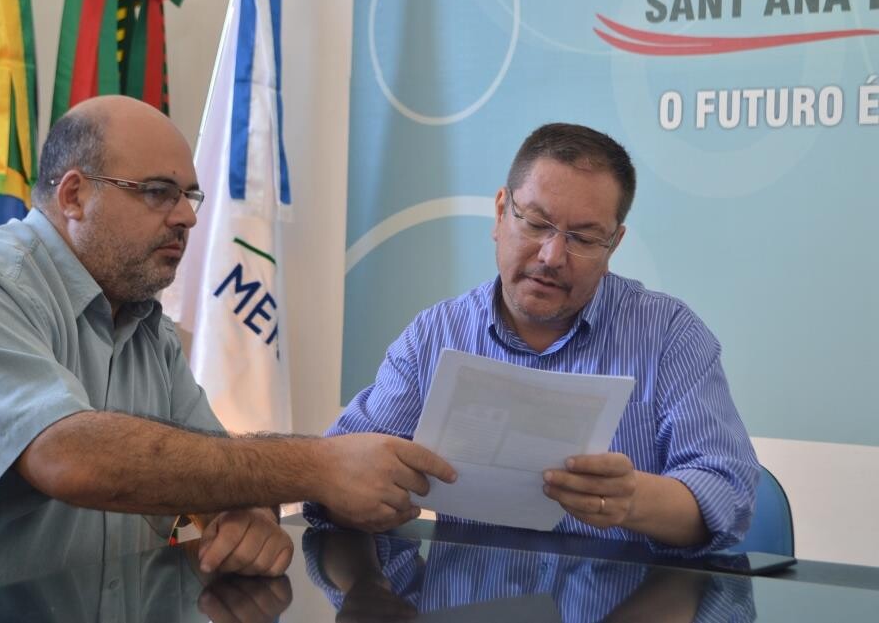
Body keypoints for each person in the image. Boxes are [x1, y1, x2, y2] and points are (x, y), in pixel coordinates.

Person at [0, 96, 456, 613]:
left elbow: (215, 476)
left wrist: (244, 520)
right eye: (158, 192)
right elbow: (69, 459)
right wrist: (317, 466)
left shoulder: (143, 322)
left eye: (189, 195)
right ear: (74, 195)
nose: (188, 217)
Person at [323, 123, 759, 552]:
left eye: (584, 238)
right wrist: (364, 493)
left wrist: (632, 499)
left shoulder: (668, 336)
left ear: (613, 245)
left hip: (623, 590)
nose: (552, 256)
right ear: (500, 213)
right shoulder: (435, 336)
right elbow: (337, 476)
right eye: (535, 223)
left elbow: (727, 494)